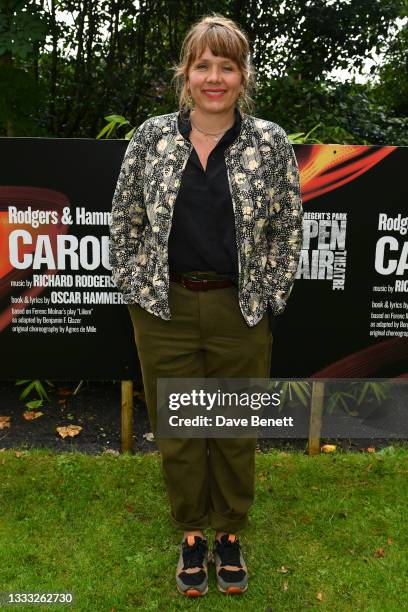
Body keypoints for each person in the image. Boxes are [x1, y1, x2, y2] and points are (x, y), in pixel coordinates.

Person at [109, 14, 303, 597]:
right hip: (163, 309)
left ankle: (230, 533)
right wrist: (137, 289)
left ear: (244, 76)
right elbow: (125, 221)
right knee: (181, 430)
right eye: (203, 65)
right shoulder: (151, 138)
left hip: (237, 310)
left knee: (235, 428)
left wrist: (268, 296)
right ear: (185, 75)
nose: (214, 77)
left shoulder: (268, 141)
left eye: (227, 65)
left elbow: (288, 227)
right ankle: (192, 532)